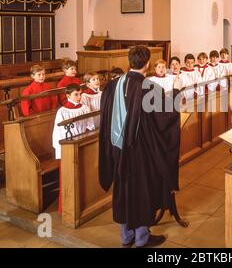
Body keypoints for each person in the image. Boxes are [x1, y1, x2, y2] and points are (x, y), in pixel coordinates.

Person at [98, 46, 182, 248]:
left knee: (125, 191)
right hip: (141, 153)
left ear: (130, 62)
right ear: (147, 64)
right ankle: (142, 238)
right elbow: (166, 118)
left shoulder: (112, 87)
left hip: (118, 151)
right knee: (142, 192)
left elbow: (106, 119)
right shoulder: (149, 88)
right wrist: (177, 91)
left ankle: (126, 237)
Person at [52, 84, 95, 213]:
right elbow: (58, 133)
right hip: (69, 146)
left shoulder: (85, 108)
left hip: (82, 142)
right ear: (68, 96)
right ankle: (67, 206)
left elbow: (90, 125)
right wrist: (63, 152)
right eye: (76, 95)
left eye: (80, 94)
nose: (79, 97)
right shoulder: (63, 111)